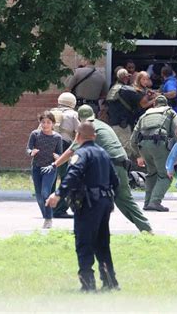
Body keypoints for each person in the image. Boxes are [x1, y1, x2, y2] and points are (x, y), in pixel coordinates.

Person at [43, 105, 152, 233]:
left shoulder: (86, 128)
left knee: (85, 194)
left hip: (106, 166)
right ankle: (146, 229)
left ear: (79, 118)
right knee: (124, 199)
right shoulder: (103, 125)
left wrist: (55, 164)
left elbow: (71, 151)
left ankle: (83, 228)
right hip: (121, 164)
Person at [46, 122, 120, 292]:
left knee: (84, 242)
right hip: (104, 204)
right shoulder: (103, 154)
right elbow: (116, 181)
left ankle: (88, 284)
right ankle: (110, 282)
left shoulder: (81, 154)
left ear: (78, 137)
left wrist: (58, 194)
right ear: (94, 136)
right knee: (102, 243)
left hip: (88, 204)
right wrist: (108, 199)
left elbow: (73, 174)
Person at [131, 96, 177, 212]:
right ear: (166, 104)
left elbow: (133, 139)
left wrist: (138, 155)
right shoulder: (170, 113)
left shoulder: (145, 115)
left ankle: (147, 203)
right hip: (159, 145)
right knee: (165, 175)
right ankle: (155, 202)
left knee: (151, 174)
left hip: (143, 147)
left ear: (154, 105)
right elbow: (176, 132)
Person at [26, 111, 63, 229]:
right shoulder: (35, 134)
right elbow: (28, 148)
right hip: (37, 167)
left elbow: (60, 153)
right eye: (43, 122)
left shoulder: (57, 137)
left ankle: (48, 219)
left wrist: (57, 157)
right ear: (40, 123)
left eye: (48, 122)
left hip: (50, 168)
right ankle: (47, 215)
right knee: (38, 195)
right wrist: (31, 152)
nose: (45, 125)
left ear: (53, 124)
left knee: (45, 193)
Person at [49, 92, 80, 218]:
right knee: (66, 178)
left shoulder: (50, 113)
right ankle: (60, 209)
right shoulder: (73, 115)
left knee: (49, 178)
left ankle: (48, 207)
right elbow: (80, 133)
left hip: (47, 146)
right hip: (64, 147)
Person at [106, 68, 141, 157]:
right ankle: (125, 169)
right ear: (126, 77)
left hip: (113, 122)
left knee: (115, 148)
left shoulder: (113, 88)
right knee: (126, 150)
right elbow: (141, 100)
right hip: (123, 124)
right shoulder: (127, 90)